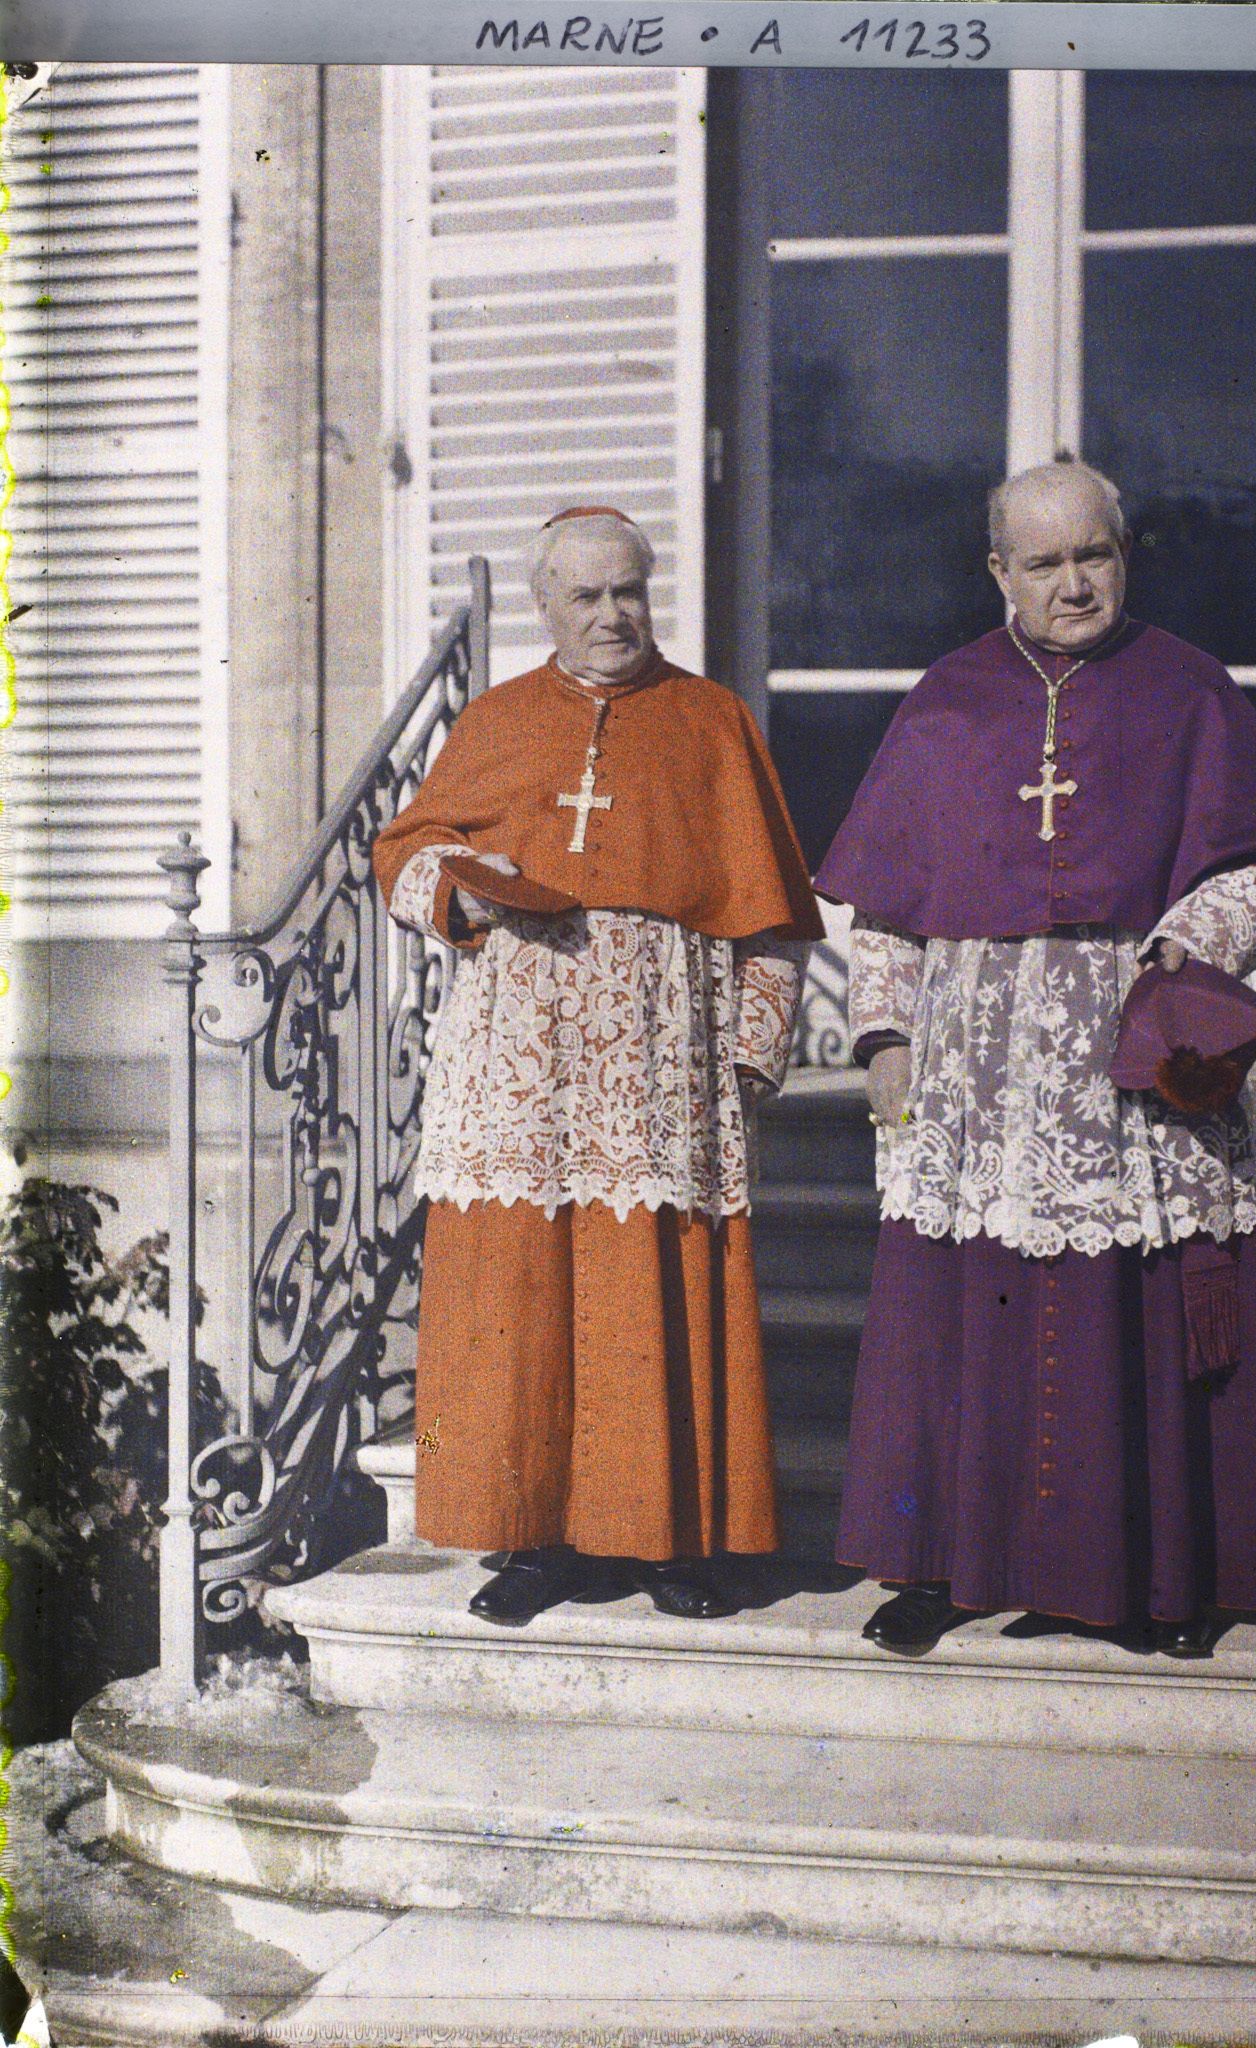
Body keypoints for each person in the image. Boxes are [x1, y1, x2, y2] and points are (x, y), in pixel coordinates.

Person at [813, 460, 1256, 1658]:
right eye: (1043, 562)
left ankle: (1157, 1581)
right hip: (978, 1058)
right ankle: (948, 1567)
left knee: (1133, 1309)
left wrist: (1192, 938)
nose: (1073, 584)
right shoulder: (944, 701)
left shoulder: (1188, 687)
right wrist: (885, 1033)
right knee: (962, 1313)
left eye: (1092, 555)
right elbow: (885, 904)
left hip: (1132, 1035)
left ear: (1124, 554)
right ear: (998, 572)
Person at [373, 507, 822, 1625]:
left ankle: (663, 1536)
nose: (613, 615)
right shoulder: (498, 717)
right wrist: (464, 893)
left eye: (629, 591)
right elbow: (404, 848)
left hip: (661, 1055)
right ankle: (537, 1541)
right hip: (521, 1057)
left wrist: (751, 1058)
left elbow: (772, 919)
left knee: (650, 1286)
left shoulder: (711, 720)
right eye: (586, 596)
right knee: (523, 1288)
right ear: (546, 606)